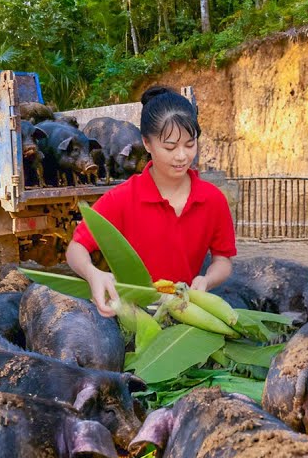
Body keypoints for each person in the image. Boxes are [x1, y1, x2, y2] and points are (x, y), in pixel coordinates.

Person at [67, 86, 236, 317]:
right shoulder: (122, 198)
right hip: (132, 313)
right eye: (170, 147)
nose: (182, 156)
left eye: (189, 144)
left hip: (185, 309)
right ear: (147, 144)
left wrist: (206, 280)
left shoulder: (213, 199)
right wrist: (92, 272)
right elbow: (76, 248)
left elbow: (223, 261)